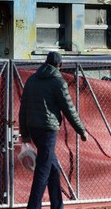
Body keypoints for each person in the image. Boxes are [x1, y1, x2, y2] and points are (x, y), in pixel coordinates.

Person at [19, 51, 88, 209]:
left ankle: (57, 206)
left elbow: (23, 108)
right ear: (60, 65)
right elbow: (69, 109)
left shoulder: (32, 80)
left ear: (45, 62)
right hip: (48, 131)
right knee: (42, 171)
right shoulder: (58, 82)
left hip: (34, 129)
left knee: (53, 168)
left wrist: (25, 135)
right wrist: (82, 131)